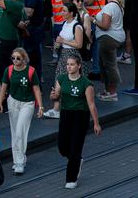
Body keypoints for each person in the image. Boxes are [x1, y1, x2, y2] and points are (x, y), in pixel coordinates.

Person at [50, 54, 101, 189]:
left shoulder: (86, 84)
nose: (69, 67)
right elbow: (57, 96)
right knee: (62, 146)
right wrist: (53, 96)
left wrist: (96, 123)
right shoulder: (61, 79)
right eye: (67, 64)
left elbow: (91, 105)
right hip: (66, 114)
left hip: (80, 115)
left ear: (79, 66)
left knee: (75, 147)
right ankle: (77, 160)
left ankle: (71, 179)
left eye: (72, 64)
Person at [0, 47, 41, 175]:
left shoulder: (31, 71)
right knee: (15, 131)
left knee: (21, 130)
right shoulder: (9, 70)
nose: (15, 60)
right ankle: (18, 158)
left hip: (28, 103)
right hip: (13, 102)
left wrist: (41, 107)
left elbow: (37, 89)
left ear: (24, 59)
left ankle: (19, 162)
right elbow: (4, 88)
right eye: (13, 58)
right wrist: (0, 103)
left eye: (18, 58)